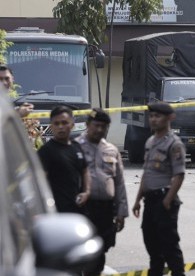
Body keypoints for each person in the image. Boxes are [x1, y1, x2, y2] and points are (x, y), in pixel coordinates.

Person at [132, 102, 186, 276]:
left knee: (169, 246)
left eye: (158, 116)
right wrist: (138, 200)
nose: (153, 120)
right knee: (152, 244)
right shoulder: (150, 141)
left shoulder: (174, 144)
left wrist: (167, 200)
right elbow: (146, 173)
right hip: (150, 200)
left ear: (170, 118)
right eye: (151, 116)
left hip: (164, 200)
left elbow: (179, 175)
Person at [75, 108, 129, 276]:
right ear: (87, 125)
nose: (99, 130)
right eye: (96, 125)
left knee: (100, 251)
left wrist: (121, 212)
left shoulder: (111, 150)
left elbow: (119, 182)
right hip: (82, 209)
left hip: (105, 210)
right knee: (80, 253)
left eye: (104, 127)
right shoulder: (75, 147)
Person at [38, 105, 91, 213]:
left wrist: (86, 192)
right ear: (51, 126)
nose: (61, 127)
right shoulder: (46, 151)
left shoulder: (77, 147)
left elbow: (85, 171)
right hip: (55, 212)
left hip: (77, 210)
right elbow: (39, 182)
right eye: (57, 123)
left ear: (72, 125)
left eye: (64, 123)